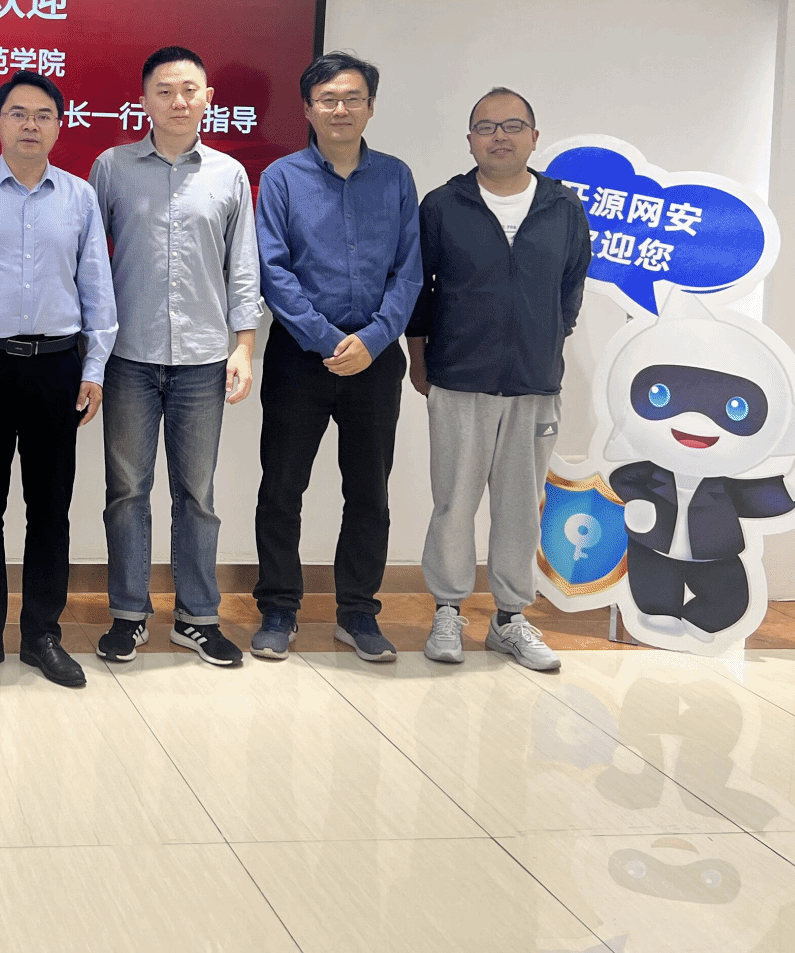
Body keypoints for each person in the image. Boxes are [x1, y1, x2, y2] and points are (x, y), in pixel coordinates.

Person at [0, 71, 117, 689]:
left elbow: (97, 290)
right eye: (18, 113)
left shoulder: (79, 197)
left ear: (60, 126)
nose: (30, 125)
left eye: (43, 115)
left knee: (50, 507)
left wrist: (94, 368)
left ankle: (42, 635)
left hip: (57, 366)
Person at [408, 88, 591, 672]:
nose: (499, 136)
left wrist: (546, 339)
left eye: (513, 126)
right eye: (486, 127)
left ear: (534, 137)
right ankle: (447, 610)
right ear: (470, 141)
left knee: (520, 508)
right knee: (453, 503)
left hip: (534, 383)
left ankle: (510, 618)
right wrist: (419, 357)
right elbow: (419, 289)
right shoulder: (443, 205)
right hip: (459, 378)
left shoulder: (563, 207)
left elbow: (571, 287)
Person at [89, 47, 261, 668]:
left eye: (190, 90)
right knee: (126, 492)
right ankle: (128, 615)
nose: (178, 101)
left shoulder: (229, 174)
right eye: (164, 91)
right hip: (128, 357)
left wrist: (244, 346)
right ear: (144, 101)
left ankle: (197, 618)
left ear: (208, 99)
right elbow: (88, 263)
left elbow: (243, 266)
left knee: (197, 494)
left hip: (203, 360)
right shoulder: (111, 168)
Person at [252, 50, 422, 663]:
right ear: (308, 109)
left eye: (353, 98)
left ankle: (357, 612)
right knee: (282, 488)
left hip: (376, 359)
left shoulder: (396, 178)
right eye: (328, 99)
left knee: (369, 491)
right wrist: (327, 340)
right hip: (301, 357)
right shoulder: (281, 178)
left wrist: (373, 340)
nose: (341, 109)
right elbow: (272, 270)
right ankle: (278, 608)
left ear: (370, 107)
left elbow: (409, 271)